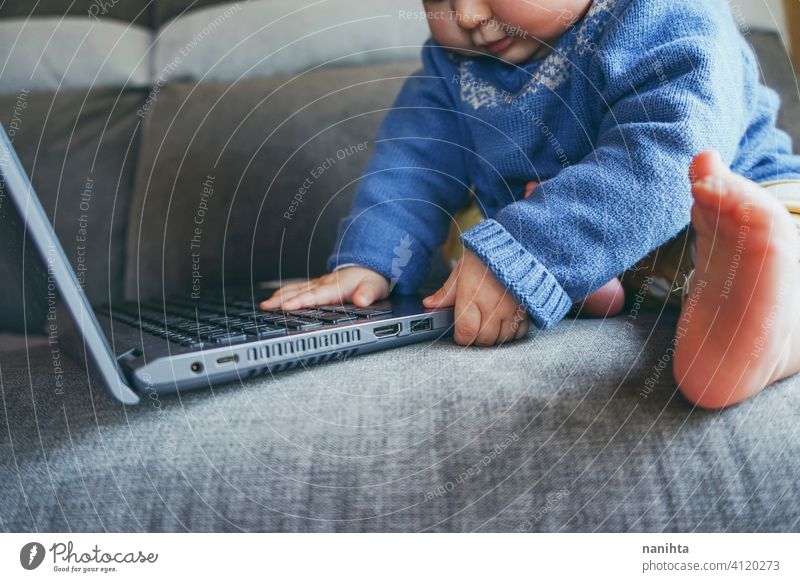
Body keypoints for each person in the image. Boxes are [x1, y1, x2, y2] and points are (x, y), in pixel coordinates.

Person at [262, 0, 800, 408]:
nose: (468, 15)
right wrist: (370, 262)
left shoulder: (667, 13)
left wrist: (529, 250)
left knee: (771, 233)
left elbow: (668, 160)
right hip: (619, 257)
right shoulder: (455, 66)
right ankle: (634, 298)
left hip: (746, 197)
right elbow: (413, 163)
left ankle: (760, 321)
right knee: (487, 231)